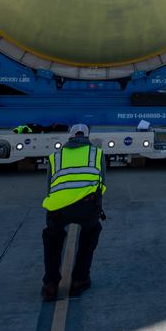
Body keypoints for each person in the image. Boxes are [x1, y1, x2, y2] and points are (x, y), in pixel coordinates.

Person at [41, 124, 106, 302]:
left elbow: (49, 187)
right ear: (87, 137)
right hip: (86, 206)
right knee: (90, 232)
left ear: (70, 137)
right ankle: (80, 280)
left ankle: (51, 284)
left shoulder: (56, 156)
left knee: (53, 237)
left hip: (58, 207)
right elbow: (102, 183)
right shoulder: (96, 153)